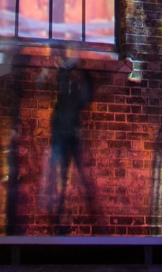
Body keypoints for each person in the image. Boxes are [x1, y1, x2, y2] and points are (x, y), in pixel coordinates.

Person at [47, 55, 100, 228]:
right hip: (62, 131)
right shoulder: (65, 80)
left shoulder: (81, 82)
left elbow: (86, 96)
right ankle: (58, 212)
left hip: (70, 132)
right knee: (58, 171)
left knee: (79, 171)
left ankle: (91, 214)